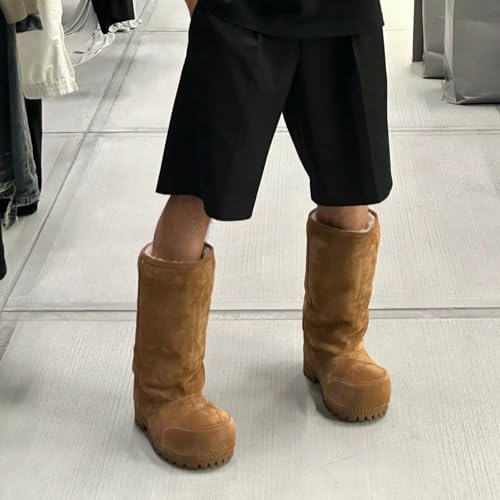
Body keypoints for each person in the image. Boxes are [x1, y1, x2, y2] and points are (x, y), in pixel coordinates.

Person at [132, 0, 393, 470]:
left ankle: (336, 345)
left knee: (350, 184)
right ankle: (164, 389)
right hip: (238, 12)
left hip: (345, 13)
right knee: (198, 188)